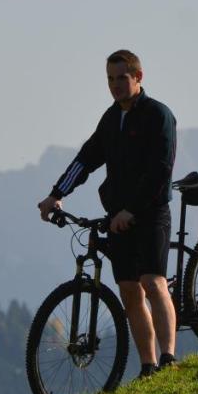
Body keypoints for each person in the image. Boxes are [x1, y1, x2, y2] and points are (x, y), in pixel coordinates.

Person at [37, 50, 178, 377]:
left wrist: (133, 210)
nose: (115, 85)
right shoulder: (111, 119)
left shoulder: (158, 115)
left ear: (138, 77)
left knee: (153, 282)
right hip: (119, 217)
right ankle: (149, 365)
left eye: (121, 78)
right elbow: (87, 159)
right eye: (110, 79)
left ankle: (169, 357)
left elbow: (161, 171)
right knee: (129, 291)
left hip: (151, 213)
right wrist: (56, 194)